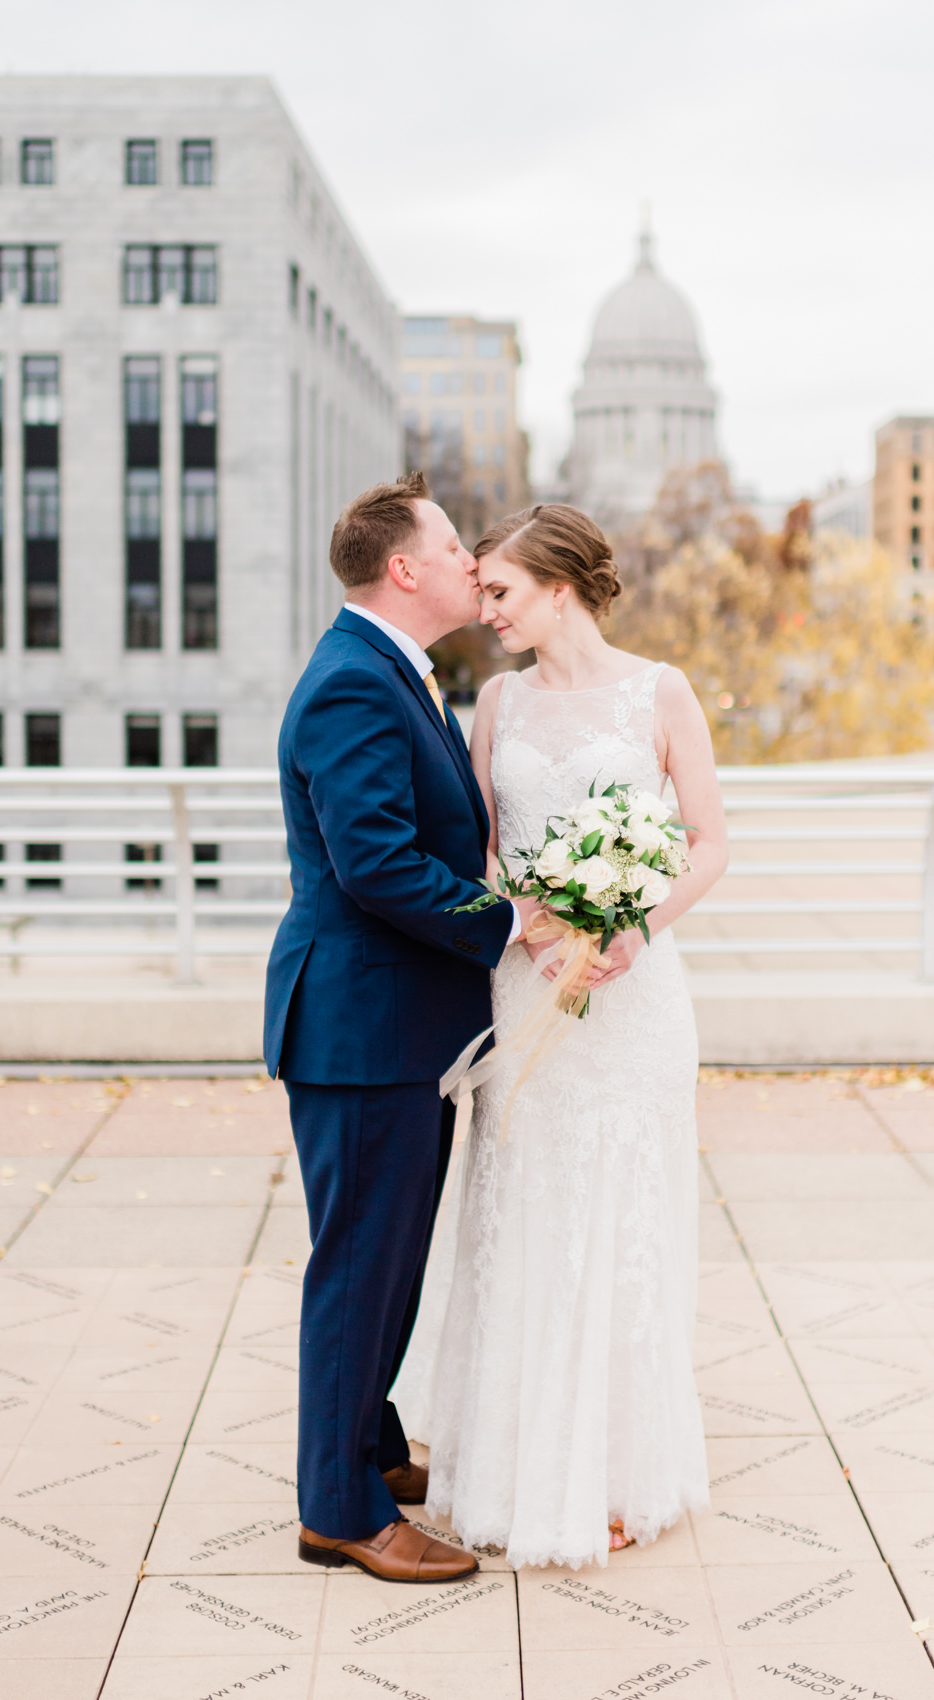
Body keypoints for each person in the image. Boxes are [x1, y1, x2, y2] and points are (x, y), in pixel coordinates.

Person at [394, 502, 729, 1569]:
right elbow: (488, 853)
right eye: (478, 587)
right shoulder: (493, 700)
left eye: (498, 590)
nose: (480, 607)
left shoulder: (660, 691)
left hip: (632, 997)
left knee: (623, 1213)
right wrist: (527, 929)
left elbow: (709, 843)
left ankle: (618, 1473)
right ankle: (510, 1465)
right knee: (525, 1213)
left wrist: (631, 924)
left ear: (559, 586)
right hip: (525, 985)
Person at [264, 472, 520, 1583]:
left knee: (386, 1257)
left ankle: (365, 1449)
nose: (475, 562)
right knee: (361, 1266)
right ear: (403, 568)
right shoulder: (352, 687)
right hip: (361, 1027)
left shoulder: (392, 673)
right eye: (456, 545)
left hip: (398, 1028)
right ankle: (340, 1512)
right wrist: (509, 921)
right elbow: (374, 864)